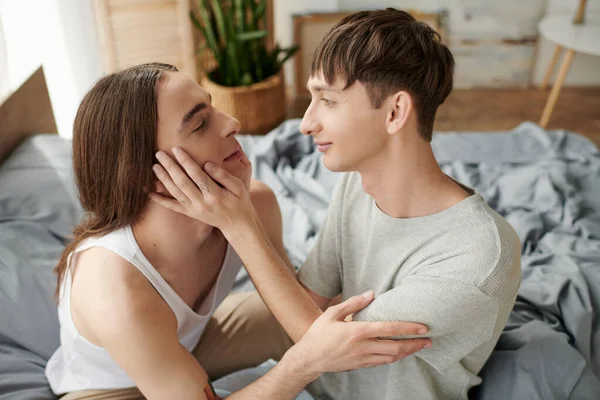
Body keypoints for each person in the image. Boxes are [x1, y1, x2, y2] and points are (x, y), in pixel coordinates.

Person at [152, 8, 522, 400]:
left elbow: (323, 346)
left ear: (395, 112)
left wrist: (239, 225)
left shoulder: (479, 257)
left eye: (328, 100)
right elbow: (310, 301)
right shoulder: (354, 185)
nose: (305, 124)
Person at [44, 62, 431, 400]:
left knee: (336, 317)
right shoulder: (114, 286)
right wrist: (304, 363)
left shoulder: (253, 205)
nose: (233, 124)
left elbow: (294, 310)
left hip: (190, 344)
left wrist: (242, 224)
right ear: (151, 177)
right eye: (200, 125)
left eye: (212, 109)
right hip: (110, 389)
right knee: (316, 346)